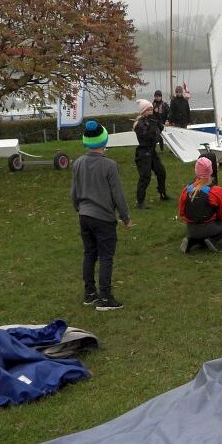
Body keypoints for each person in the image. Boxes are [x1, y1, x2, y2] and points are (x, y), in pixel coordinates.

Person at [70, 120, 132, 311]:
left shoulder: (78, 163)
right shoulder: (109, 165)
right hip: (103, 218)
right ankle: (105, 298)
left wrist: (78, 208)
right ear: (104, 141)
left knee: (89, 253)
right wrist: (125, 217)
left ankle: (89, 294)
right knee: (106, 257)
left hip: (84, 216)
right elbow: (117, 194)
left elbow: (74, 191)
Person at [178, 156, 222, 253]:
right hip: (208, 227)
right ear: (211, 171)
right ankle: (211, 240)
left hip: (191, 228)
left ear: (196, 171)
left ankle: (192, 240)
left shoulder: (187, 189)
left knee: (202, 229)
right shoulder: (215, 191)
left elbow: (182, 213)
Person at [133, 99, 168, 208]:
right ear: (143, 111)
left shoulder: (152, 120)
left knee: (161, 172)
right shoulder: (140, 123)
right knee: (145, 177)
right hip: (143, 152)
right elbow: (148, 136)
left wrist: (157, 119)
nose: (151, 111)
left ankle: (162, 194)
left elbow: (160, 129)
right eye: (149, 109)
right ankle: (140, 202)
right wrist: (153, 126)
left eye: (152, 109)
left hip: (151, 151)